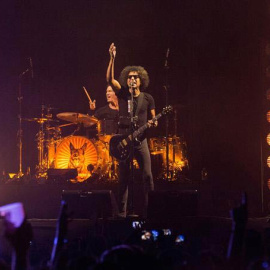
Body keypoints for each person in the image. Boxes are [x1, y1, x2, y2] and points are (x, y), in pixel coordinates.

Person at [106, 42, 157, 218]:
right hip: (125, 141)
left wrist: (153, 123)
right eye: (129, 77)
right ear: (126, 80)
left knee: (147, 177)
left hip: (141, 141)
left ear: (141, 80)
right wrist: (112, 59)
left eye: (135, 77)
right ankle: (121, 214)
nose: (132, 79)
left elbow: (153, 117)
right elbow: (109, 81)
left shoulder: (148, 98)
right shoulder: (123, 95)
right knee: (124, 180)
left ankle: (150, 211)